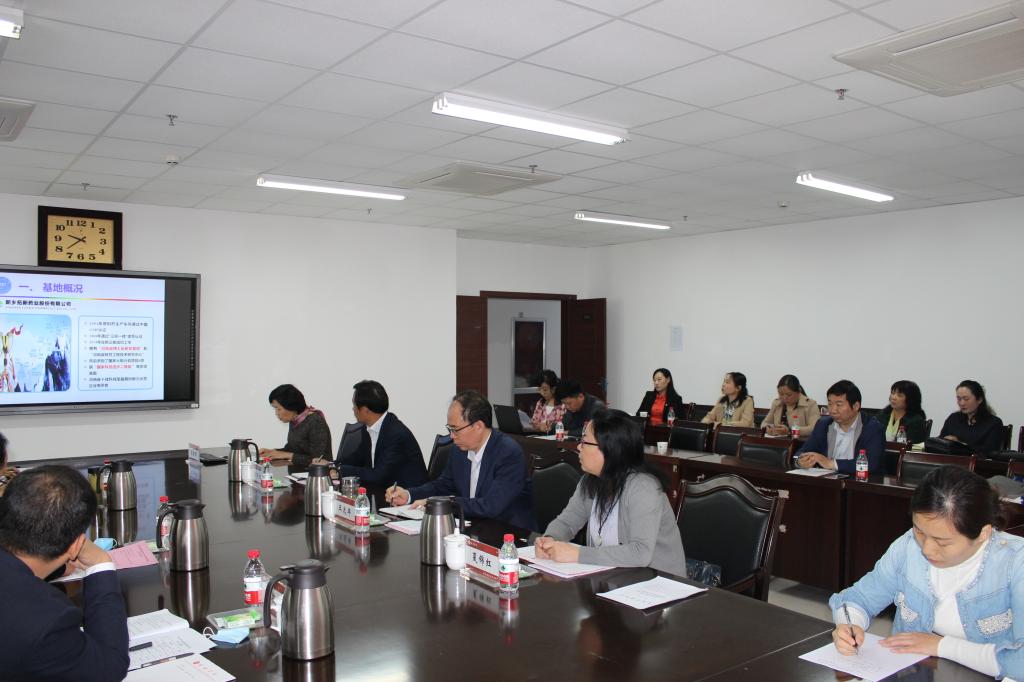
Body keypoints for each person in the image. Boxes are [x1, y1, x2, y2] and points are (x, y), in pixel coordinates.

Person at [829, 466, 1024, 679]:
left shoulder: (1015, 562)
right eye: (919, 531)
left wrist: (942, 646)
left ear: (983, 533)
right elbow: (858, 598)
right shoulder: (907, 546)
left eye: (942, 542)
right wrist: (849, 624)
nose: (927, 549)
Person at [0, 466, 129, 681]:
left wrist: (57, 564)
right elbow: (109, 668)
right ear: (76, 545)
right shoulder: (46, 619)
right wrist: (101, 564)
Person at [536, 409, 686, 576]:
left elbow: (641, 552)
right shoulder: (590, 481)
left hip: (659, 581)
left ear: (609, 449)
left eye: (585, 442)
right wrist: (550, 539)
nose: (579, 446)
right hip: (615, 576)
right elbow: (567, 522)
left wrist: (578, 554)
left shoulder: (643, 487)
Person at [386, 390, 535, 530]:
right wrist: (409, 495)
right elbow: (442, 485)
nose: (451, 436)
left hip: (508, 533)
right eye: (449, 429)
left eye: (455, 429)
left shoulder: (508, 453)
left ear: (478, 426)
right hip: (473, 527)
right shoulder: (459, 450)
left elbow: (491, 506)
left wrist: (440, 503)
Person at [335, 380, 428, 488]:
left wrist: (340, 470)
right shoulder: (368, 428)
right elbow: (355, 459)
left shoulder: (395, 434)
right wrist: (330, 466)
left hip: (410, 494)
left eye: (354, 404)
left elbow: (378, 476)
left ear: (365, 410)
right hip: (385, 492)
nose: (353, 409)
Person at [795, 379, 884, 474]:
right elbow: (803, 451)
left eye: (839, 405)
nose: (833, 410)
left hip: (859, 480)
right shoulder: (823, 425)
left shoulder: (872, 428)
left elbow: (871, 463)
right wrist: (800, 461)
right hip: (828, 479)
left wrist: (831, 463)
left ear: (856, 406)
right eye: (830, 404)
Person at [259, 383, 332, 467]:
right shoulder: (295, 420)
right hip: (299, 472)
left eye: (279, 409)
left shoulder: (315, 421)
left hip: (317, 473)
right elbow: (293, 449)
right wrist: (272, 452)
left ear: (291, 406)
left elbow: (318, 460)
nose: (276, 413)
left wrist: (288, 455)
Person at [939, 380, 1005, 455]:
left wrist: (959, 445)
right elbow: (939, 443)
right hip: (950, 461)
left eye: (966, 399)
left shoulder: (993, 423)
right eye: (959, 399)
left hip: (977, 461)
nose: (962, 403)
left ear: (979, 399)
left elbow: (989, 451)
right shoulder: (953, 418)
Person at [873, 380, 928, 444]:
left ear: (910, 399)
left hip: (903, 450)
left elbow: (913, 446)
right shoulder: (883, 414)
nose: (893, 397)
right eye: (893, 393)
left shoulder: (916, 421)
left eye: (899, 395)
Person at [529, 369, 566, 434]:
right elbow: (535, 421)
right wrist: (534, 425)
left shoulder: (563, 404)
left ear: (553, 389)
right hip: (539, 436)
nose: (542, 393)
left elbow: (563, 425)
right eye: (539, 389)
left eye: (545, 390)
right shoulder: (540, 403)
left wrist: (547, 427)